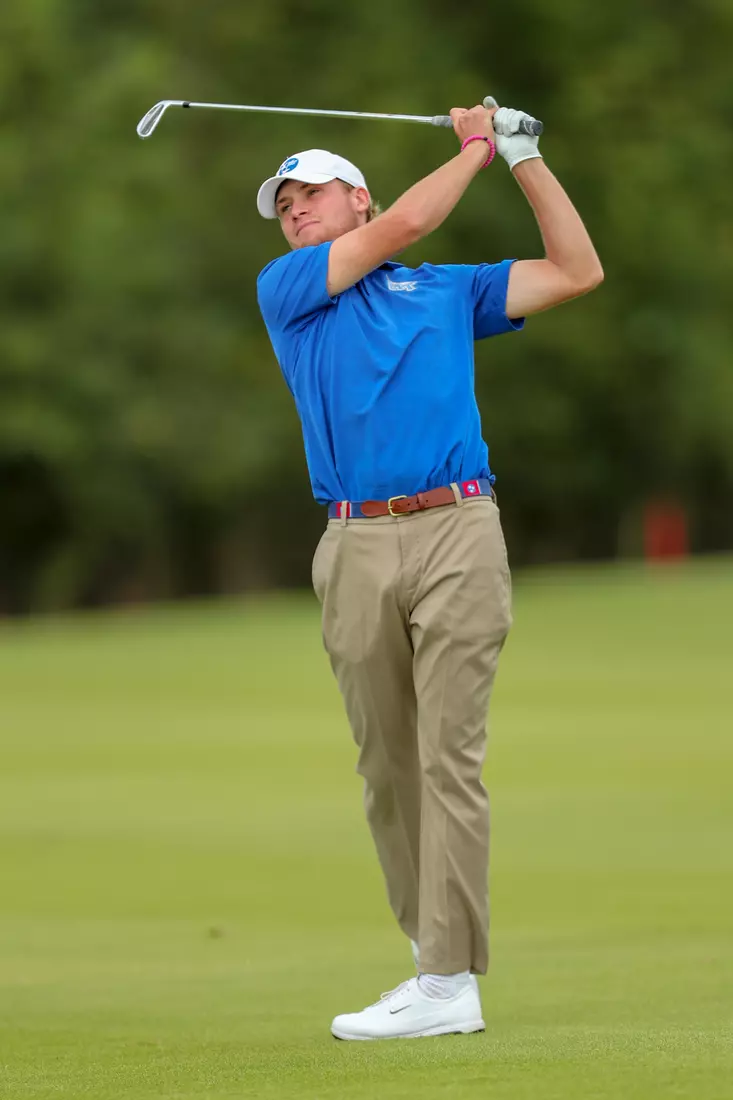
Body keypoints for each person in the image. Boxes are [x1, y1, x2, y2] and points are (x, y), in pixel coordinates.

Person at [256, 102, 603, 1041]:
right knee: (387, 768)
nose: (293, 211)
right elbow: (409, 222)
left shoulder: (448, 290)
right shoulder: (291, 287)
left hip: (459, 527)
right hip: (353, 541)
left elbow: (578, 270)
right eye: (282, 203)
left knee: (449, 756)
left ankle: (449, 982)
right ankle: (430, 962)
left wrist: (525, 158)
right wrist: (478, 147)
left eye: (309, 194)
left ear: (353, 196)